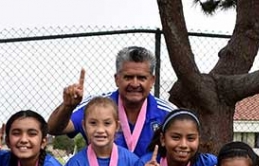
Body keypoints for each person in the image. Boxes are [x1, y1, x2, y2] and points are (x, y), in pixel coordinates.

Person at [47, 46, 175, 157]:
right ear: (117, 79)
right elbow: (53, 128)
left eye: (141, 78)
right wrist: (68, 106)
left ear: (152, 80)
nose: (135, 84)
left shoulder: (167, 112)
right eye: (128, 77)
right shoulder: (96, 105)